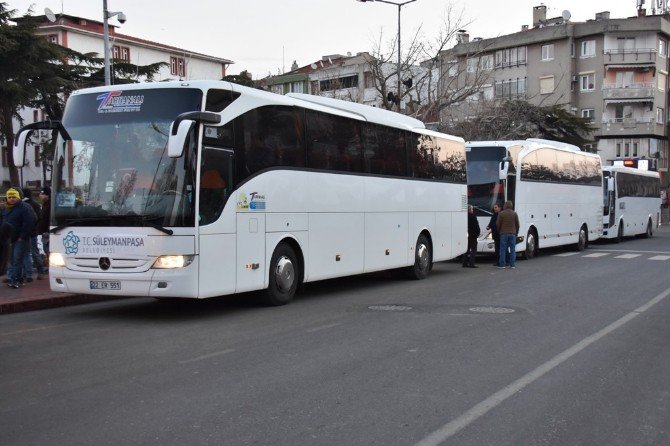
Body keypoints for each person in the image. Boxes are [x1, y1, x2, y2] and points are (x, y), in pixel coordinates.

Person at [0, 188, 36, 288]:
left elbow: (29, 222)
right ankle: (13, 278)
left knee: (17, 259)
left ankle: (15, 279)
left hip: (20, 238)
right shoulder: (5, 208)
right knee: (11, 259)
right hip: (8, 238)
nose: (11, 199)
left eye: (14, 197)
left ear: (18, 197)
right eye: (9, 197)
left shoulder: (24, 207)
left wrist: (22, 236)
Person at [21, 187, 46, 281]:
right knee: (34, 252)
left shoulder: (25, 205)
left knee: (27, 252)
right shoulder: (34, 204)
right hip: (33, 232)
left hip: (29, 233)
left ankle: (34, 272)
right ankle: (39, 272)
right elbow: (39, 218)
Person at [496, 200, 520, 269]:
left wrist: (499, 231)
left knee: (503, 249)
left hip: (503, 233)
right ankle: (512, 264)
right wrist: (516, 232)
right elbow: (517, 224)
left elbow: (498, 224)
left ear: (505, 206)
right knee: (512, 249)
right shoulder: (514, 214)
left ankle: (502, 264)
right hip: (513, 233)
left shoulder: (501, 214)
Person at [38, 186, 51, 261]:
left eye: (42, 193)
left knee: (48, 248)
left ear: (47, 195)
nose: (40, 195)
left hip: (48, 231)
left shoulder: (49, 205)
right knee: (45, 248)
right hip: (44, 231)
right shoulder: (45, 204)